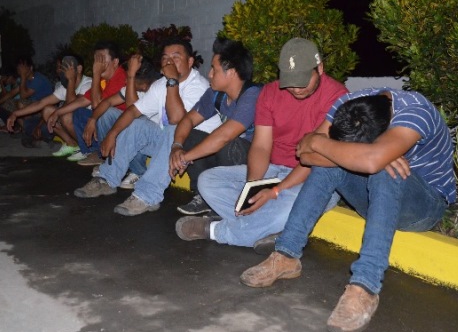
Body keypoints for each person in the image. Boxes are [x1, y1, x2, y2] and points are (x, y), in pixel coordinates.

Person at [239, 89, 455, 332]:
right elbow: (305, 155)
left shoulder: (416, 112)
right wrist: (355, 155)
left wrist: (320, 142)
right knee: (330, 166)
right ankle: (286, 255)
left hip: (423, 204)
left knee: (384, 169)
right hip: (375, 196)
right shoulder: (349, 104)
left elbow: (366, 161)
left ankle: (365, 286)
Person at [178, 38, 347, 247]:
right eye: (290, 81)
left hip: (314, 176)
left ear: (319, 68)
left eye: (303, 81)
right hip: (274, 171)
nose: (296, 88)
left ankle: (217, 230)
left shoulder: (338, 97)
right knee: (207, 181)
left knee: (291, 206)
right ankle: (265, 229)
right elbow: (261, 146)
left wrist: (276, 191)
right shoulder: (270, 92)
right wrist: (253, 187)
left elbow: (315, 160)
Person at [74, 37, 221, 216]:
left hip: (197, 147)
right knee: (137, 124)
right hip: (170, 143)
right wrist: (112, 134)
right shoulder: (161, 84)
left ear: (190, 62)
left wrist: (172, 81)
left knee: (173, 129)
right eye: (165, 57)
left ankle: (147, 195)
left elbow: (177, 120)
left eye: (176, 57)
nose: (169, 61)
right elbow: (133, 111)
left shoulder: (198, 86)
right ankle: (106, 179)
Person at [169, 38, 260, 216]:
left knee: (229, 143)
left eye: (214, 69)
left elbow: (225, 135)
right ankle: (204, 197)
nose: (209, 74)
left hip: (253, 164)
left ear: (231, 72)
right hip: (226, 156)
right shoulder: (215, 93)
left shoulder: (253, 95)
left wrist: (185, 158)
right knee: (191, 135)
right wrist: (177, 146)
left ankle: (229, 198)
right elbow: (187, 120)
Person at [82, 54, 162, 189]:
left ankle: (139, 172)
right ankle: (111, 161)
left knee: (133, 122)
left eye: (129, 77)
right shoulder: (134, 88)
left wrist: (131, 77)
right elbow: (107, 102)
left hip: (156, 140)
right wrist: (92, 119)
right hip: (137, 136)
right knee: (106, 114)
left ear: (143, 83)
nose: (125, 81)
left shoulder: (158, 89)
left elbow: (133, 109)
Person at [48, 41, 127, 163]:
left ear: (115, 62)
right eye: (96, 60)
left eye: (101, 60)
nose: (97, 64)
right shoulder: (103, 80)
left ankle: (101, 154)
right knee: (78, 112)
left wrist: (96, 73)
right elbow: (84, 100)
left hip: (123, 126)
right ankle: (93, 151)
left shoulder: (120, 76)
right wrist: (58, 112)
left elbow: (97, 105)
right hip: (108, 123)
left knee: (101, 113)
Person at [5, 55, 91, 150]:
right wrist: (15, 114)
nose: (61, 70)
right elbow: (41, 103)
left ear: (78, 68)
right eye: (60, 67)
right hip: (75, 126)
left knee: (66, 115)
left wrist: (70, 80)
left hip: (90, 127)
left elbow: (73, 106)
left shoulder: (88, 83)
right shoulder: (64, 87)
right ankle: (73, 145)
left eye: (65, 67)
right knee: (47, 110)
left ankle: (86, 149)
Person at [0, 66, 20, 132]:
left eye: (3, 77)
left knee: (4, 103)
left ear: (10, 76)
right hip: (14, 106)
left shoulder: (19, 81)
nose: (2, 79)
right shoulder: (9, 85)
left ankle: (15, 126)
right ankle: (10, 125)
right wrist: (2, 84)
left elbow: (9, 96)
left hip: (22, 105)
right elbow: (0, 96)